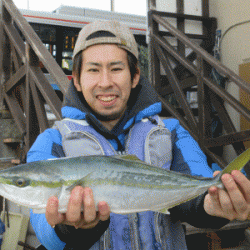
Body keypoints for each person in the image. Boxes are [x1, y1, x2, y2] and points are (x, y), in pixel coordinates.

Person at [27, 20, 250, 250]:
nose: (105, 82)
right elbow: (45, 231)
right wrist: (66, 229)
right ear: (77, 79)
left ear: (134, 76)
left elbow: (197, 193)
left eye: (116, 69)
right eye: (93, 69)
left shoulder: (171, 132)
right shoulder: (52, 141)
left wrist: (214, 206)